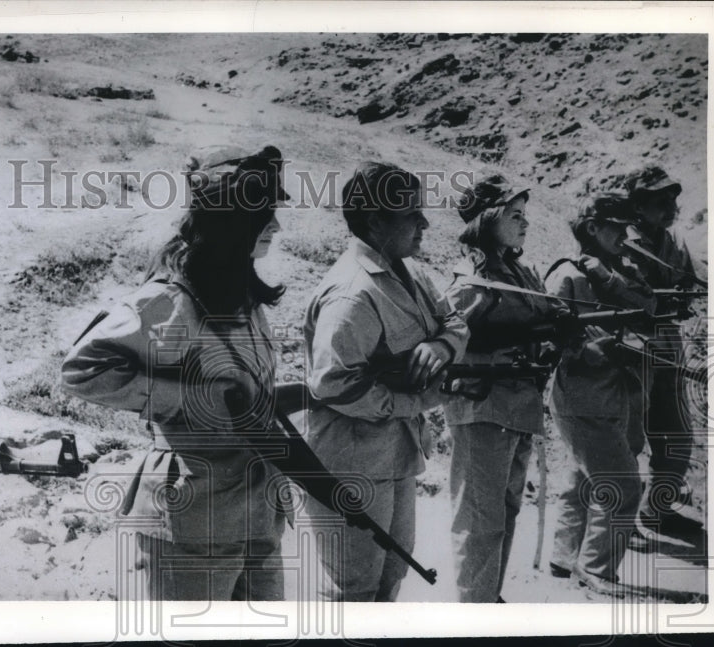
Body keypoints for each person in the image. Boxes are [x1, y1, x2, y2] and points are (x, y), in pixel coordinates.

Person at [60, 144, 290, 601]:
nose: (277, 226)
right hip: (189, 514)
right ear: (229, 220)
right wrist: (188, 400)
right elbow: (82, 370)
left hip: (255, 512)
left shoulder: (241, 296)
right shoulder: (166, 301)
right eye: (265, 213)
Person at [301, 162, 469, 602]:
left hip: (394, 453)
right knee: (351, 588)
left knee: (391, 571)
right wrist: (412, 404)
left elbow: (454, 320)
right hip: (350, 460)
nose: (425, 223)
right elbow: (334, 384)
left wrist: (443, 348)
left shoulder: (408, 272)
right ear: (376, 221)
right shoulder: (353, 293)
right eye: (411, 213)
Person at [443, 174, 568, 603]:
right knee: (481, 518)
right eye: (515, 215)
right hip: (482, 408)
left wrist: (557, 331)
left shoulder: (523, 273)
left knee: (508, 509)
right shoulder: (470, 278)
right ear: (488, 220)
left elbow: (545, 322)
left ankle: (488, 595)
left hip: (519, 407)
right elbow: (453, 340)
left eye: (525, 215)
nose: (525, 223)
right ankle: (473, 606)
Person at [545, 193, 656, 596]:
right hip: (583, 398)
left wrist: (610, 279)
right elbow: (542, 339)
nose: (624, 236)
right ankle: (596, 570)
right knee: (623, 487)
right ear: (592, 228)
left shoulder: (618, 271)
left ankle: (563, 558)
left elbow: (650, 308)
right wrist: (582, 351)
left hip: (616, 394)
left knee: (585, 479)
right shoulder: (567, 276)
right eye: (616, 227)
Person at [622, 166, 703, 539]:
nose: (670, 206)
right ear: (637, 205)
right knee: (627, 441)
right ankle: (616, 525)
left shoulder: (674, 241)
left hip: (670, 350)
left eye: (672, 198)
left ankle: (657, 511)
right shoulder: (618, 239)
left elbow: (693, 279)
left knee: (677, 437)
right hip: (631, 354)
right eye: (659, 200)